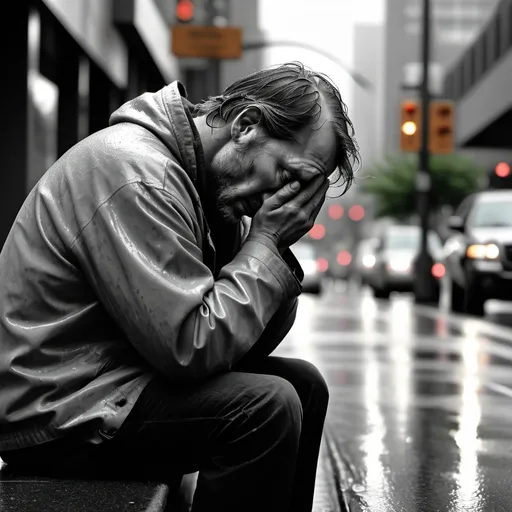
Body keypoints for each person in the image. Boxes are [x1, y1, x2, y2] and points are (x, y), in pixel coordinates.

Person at [0, 62, 358, 512]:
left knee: (303, 386)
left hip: (112, 382)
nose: (282, 199)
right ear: (245, 125)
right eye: (289, 176)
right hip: (54, 408)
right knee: (266, 407)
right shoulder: (138, 175)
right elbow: (191, 347)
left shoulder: (211, 190)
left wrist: (275, 248)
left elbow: (244, 348)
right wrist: (264, 244)